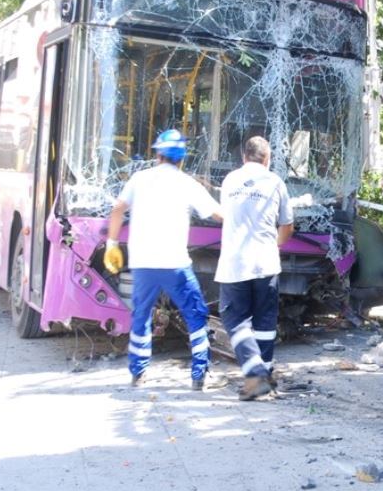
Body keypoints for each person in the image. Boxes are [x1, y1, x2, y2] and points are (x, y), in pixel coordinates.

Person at [104, 129, 222, 390]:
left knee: (141, 315)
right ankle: (199, 375)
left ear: (158, 154)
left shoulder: (139, 178)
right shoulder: (187, 183)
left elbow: (117, 209)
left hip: (143, 263)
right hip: (174, 264)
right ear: (181, 158)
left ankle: (138, 373)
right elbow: (217, 214)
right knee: (195, 314)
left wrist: (111, 244)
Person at [215, 136, 293, 402]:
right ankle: (264, 379)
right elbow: (287, 226)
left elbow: (229, 214)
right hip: (267, 262)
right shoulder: (276, 182)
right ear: (268, 159)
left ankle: (258, 377)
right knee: (264, 323)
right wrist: (275, 246)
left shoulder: (230, 181)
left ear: (243, 157)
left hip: (235, 263)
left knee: (235, 321)